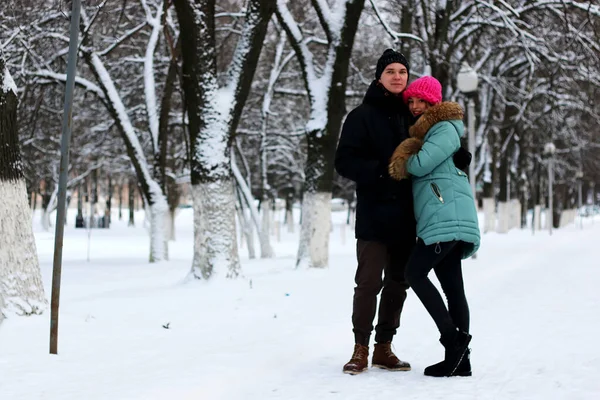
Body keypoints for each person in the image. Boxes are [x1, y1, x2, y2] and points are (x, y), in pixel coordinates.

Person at [388, 76, 480, 377]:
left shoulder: (442, 127)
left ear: (434, 102)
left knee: (414, 273)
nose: (414, 106)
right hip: (444, 213)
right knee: (453, 287)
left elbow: (419, 165)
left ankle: (453, 342)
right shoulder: (436, 131)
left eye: (420, 101)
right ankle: (461, 361)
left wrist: (407, 154)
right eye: (411, 101)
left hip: (444, 214)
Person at [334, 49, 415, 375]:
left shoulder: (416, 115)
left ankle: (384, 348)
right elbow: (344, 162)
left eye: (402, 71)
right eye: (391, 71)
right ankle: (360, 348)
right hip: (374, 215)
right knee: (368, 283)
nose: (397, 76)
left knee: (398, 283)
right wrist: (383, 171)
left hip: (408, 216)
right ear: (379, 77)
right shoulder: (361, 116)